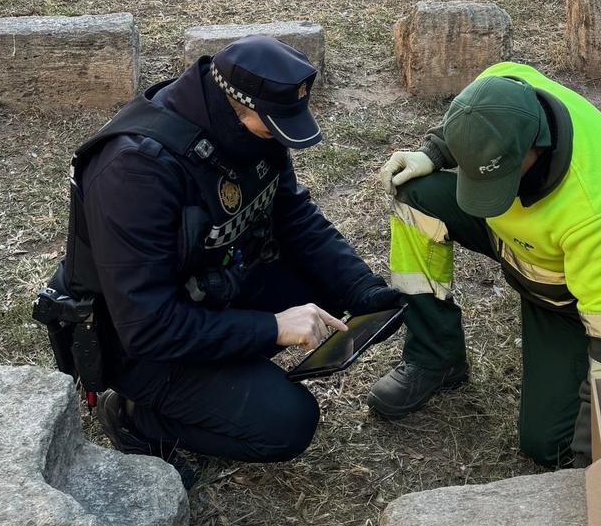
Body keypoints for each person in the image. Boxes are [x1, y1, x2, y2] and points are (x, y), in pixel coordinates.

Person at [37, 36, 401, 470]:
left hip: (214, 286)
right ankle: (136, 416)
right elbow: (147, 327)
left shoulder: (249, 126)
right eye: (272, 126)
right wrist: (272, 329)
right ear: (235, 107)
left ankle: (226, 374)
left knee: (329, 289)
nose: (277, 138)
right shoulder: (134, 171)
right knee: (287, 423)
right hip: (140, 342)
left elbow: (292, 214)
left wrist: (363, 288)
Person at [369, 61, 601, 468]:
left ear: (536, 145)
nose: (485, 193)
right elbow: (471, 125)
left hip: (568, 290)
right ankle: (435, 357)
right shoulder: (500, 87)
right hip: (523, 247)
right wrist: (433, 152)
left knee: (549, 444)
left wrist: (599, 464)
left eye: (500, 177)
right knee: (414, 195)